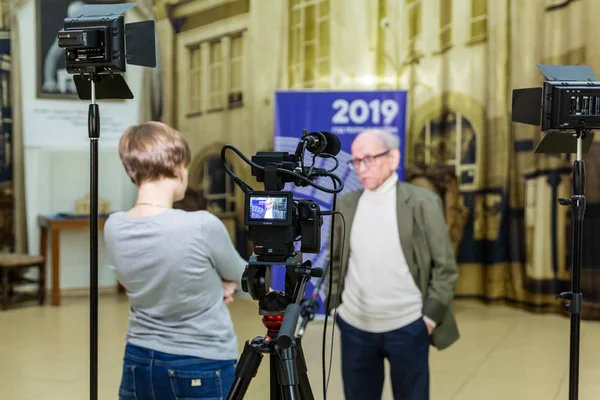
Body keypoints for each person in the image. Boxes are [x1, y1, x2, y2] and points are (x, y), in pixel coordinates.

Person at [104, 121, 246, 400]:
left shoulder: (114, 226)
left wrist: (211, 285)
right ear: (177, 166)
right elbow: (245, 277)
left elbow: (159, 278)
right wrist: (221, 286)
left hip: (139, 359)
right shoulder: (202, 225)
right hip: (200, 361)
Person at [326, 129, 459, 400]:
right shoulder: (345, 205)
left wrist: (430, 318)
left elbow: (444, 266)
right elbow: (335, 262)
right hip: (355, 327)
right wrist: (333, 306)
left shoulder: (422, 202)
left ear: (393, 158)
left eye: (369, 159)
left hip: (408, 326)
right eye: (356, 161)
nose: (361, 168)